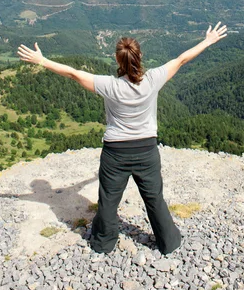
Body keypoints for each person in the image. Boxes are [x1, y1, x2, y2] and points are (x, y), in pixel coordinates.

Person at [17, 21, 227, 254]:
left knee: (108, 201)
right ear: (139, 56)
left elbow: (73, 73)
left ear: (118, 60)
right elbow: (181, 59)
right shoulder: (153, 80)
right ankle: (169, 243)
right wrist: (208, 41)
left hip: (115, 153)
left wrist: (42, 60)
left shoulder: (109, 85)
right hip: (147, 151)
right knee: (154, 199)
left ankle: (103, 244)